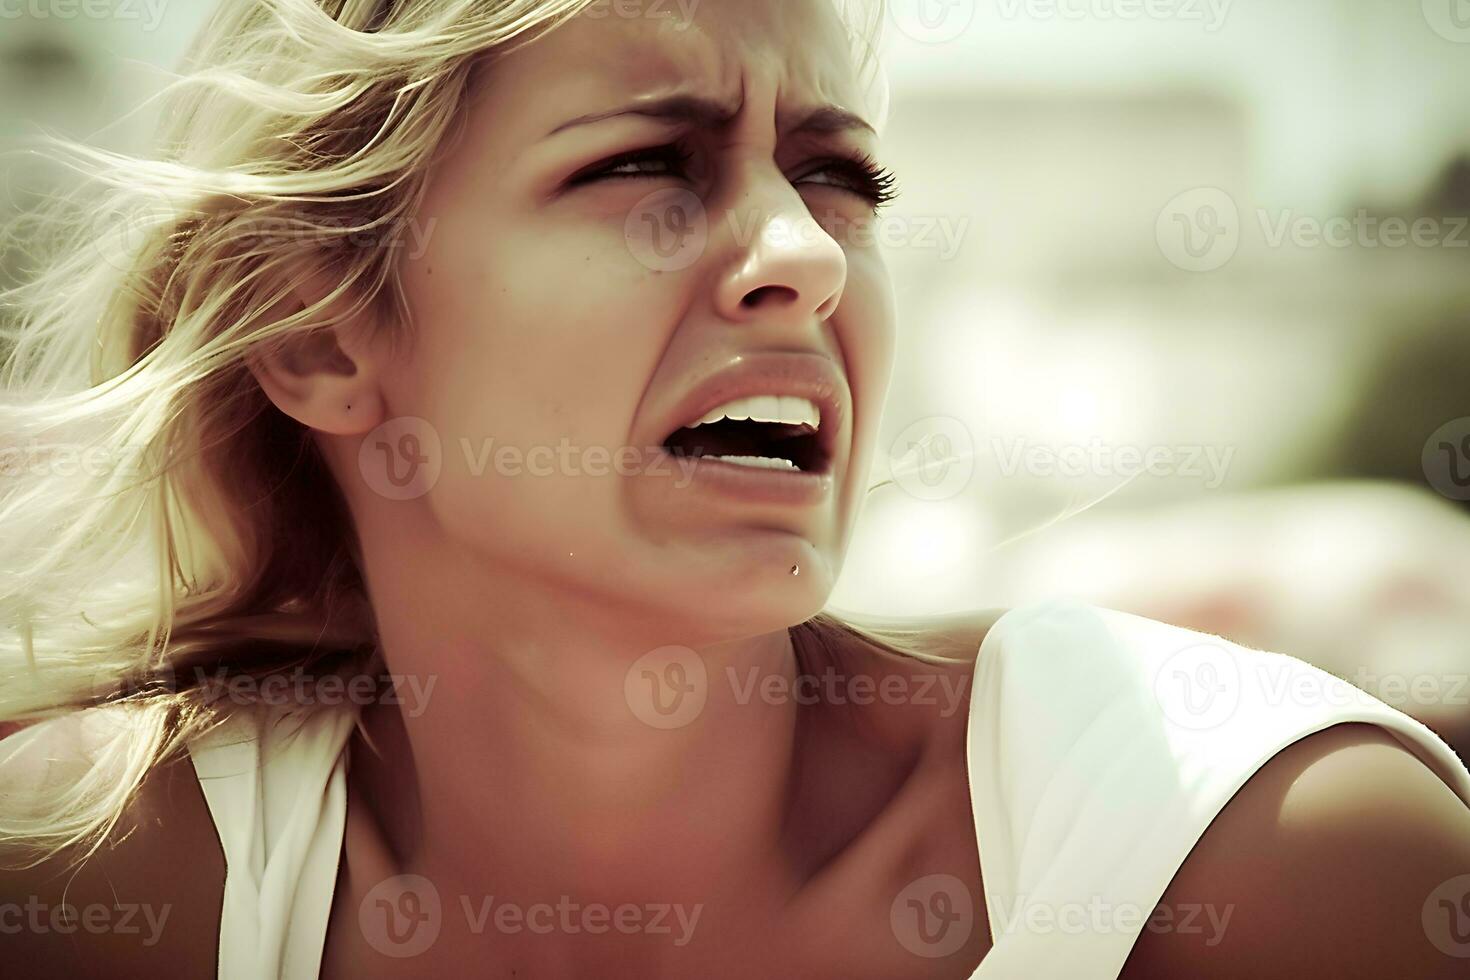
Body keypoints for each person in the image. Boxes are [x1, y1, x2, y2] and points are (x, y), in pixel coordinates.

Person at [1, 1, 1467, 978]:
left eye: (842, 179)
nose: (809, 254)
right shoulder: (86, 887)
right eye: (648, 164)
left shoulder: (1273, 864)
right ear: (323, 330)